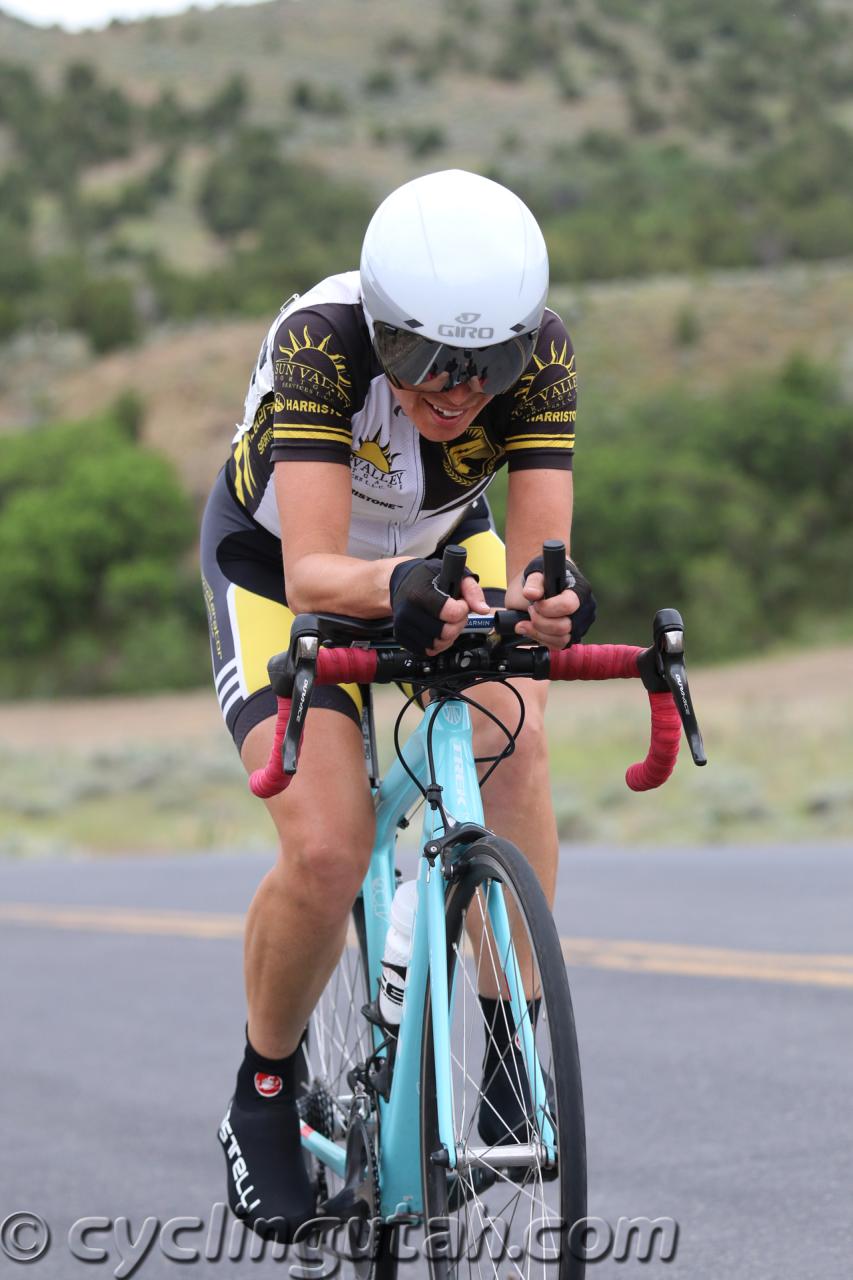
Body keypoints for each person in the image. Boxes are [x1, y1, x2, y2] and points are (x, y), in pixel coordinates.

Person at [200, 169, 594, 1238]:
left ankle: (513, 1047)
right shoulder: (321, 340)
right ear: (380, 327)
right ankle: (264, 1090)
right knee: (332, 846)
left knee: (518, 739)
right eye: (426, 360)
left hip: (434, 554)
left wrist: (548, 598)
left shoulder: (544, 350)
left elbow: (532, 560)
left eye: (490, 364)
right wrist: (406, 593)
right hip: (283, 569)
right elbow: (319, 569)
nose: (460, 388)